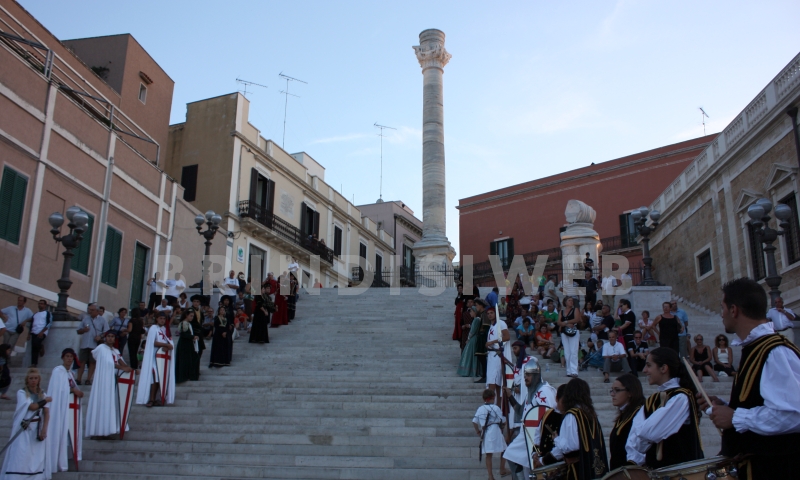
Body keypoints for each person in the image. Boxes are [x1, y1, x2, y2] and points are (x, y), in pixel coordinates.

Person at [698, 278, 800, 478]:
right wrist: (727, 406)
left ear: (734, 310)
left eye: (723, 307)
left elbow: (794, 414)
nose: (722, 314)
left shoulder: (775, 351)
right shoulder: (755, 349)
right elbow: (763, 401)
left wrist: (736, 417)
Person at [626, 347, 703, 469]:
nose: (645, 370)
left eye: (649, 365)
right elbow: (634, 441)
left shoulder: (681, 397)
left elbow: (650, 433)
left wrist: (644, 435)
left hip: (680, 471)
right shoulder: (652, 400)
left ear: (663, 368)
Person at [540, 378, 608, 479]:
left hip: (579, 469)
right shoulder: (590, 414)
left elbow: (570, 447)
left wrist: (557, 439)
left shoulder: (572, 415)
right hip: (592, 465)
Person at [503, 359, 557, 480]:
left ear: (536, 376)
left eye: (528, 375)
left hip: (536, 437)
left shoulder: (544, 391)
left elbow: (550, 415)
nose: (525, 377)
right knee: (523, 463)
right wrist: (510, 396)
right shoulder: (530, 393)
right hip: (527, 435)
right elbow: (521, 412)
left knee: (511, 454)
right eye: (525, 375)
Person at [0, 368, 51, 479]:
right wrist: (46, 400)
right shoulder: (22, 393)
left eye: (35, 378)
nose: (33, 380)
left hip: (37, 429)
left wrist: (44, 429)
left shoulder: (42, 394)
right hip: (24, 428)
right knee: (20, 455)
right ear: (27, 380)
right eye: (31, 378)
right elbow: (32, 407)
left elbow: (46, 413)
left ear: (39, 380)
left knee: (35, 456)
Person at [85, 332, 132, 439]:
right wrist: (122, 368)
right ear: (105, 338)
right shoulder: (101, 348)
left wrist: (131, 370)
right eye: (109, 336)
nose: (111, 339)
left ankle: (108, 430)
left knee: (111, 404)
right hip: (104, 381)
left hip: (114, 381)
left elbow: (121, 362)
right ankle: (97, 431)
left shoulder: (115, 351)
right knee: (102, 403)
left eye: (113, 337)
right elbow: (107, 363)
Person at [46, 348, 83, 473]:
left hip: (68, 408)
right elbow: (57, 390)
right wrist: (73, 390)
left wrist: (77, 392)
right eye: (67, 356)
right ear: (63, 357)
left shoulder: (70, 374)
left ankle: (65, 458)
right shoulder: (58, 371)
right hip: (59, 408)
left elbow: (71, 387)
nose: (69, 359)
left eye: (71, 356)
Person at [136, 313, 175, 408]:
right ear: (156, 319)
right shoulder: (153, 328)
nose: (162, 320)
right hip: (153, 357)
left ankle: (159, 398)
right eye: (160, 318)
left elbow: (169, 343)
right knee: (154, 377)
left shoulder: (166, 330)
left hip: (163, 358)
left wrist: (168, 347)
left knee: (161, 378)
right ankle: (151, 399)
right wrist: (165, 345)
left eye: (164, 318)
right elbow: (152, 342)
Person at [608, 373, 644, 470]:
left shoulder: (639, 414)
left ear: (630, 392)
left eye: (617, 390)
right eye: (612, 390)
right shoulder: (625, 415)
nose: (612, 394)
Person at [472, 388, 507, 480]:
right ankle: (502, 469)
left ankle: (490, 476)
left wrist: (478, 431)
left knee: (488, 454)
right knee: (504, 449)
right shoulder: (496, 408)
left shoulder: (480, 409)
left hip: (486, 432)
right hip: (495, 431)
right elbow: (503, 420)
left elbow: (474, 422)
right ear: (492, 398)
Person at [76, 304, 108, 385]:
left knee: (92, 362)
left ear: (97, 311)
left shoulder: (102, 320)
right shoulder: (85, 319)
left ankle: (88, 379)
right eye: (89, 309)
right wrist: (84, 330)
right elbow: (78, 331)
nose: (90, 311)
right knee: (82, 361)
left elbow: (106, 332)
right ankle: (78, 379)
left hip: (94, 345)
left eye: (92, 310)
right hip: (85, 343)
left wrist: (100, 336)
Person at [485, 308, 512, 402]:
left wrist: (492, 342)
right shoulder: (491, 326)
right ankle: (495, 404)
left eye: (491, 313)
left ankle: (490, 402)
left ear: (495, 313)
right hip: (491, 355)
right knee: (493, 381)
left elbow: (507, 336)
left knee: (494, 380)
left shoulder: (501, 323)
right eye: (488, 313)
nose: (490, 315)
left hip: (497, 355)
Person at [558, 297, 580, 378]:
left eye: (572, 300)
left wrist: (566, 322)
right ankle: (569, 370)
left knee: (573, 351)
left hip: (574, 331)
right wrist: (566, 324)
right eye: (569, 300)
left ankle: (574, 371)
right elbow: (559, 322)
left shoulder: (575, 310)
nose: (571, 302)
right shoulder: (562, 311)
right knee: (567, 352)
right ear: (565, 302)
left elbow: (577, 319)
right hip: (564, 332)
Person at [175, 311, 200, 383]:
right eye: (190, 316)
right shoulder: (183, 323)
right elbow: (183, 334)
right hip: (184, 345)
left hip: (188, 344)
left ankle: (189, 375)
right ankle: (183, 376)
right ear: (186, 315)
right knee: (184, 360)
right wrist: (193, 337)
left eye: (193, 316)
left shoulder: (188, 324)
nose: (192, 317)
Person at [457, 306, 481, 378]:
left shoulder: (476, 319)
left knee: (469, 354)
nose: (470, 313)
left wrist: (468, 338)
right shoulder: (476, 319)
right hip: (474, 338)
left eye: (471, 311)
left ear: (474, 312)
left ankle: (468, 371)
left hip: (473, 339)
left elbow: (472, 330)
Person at [28, 299, 51, 367]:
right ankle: (34, 363)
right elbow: (31, 324)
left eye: (41, 304)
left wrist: (42, 332)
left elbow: (49, 323)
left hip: (41, 332)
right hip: (34, 332)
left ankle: (41, 346)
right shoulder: (35, 314)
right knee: (33, 349)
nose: (40, 305)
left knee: (36, 343)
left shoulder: (47, 313)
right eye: (39, 303)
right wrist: (29, 334)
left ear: (45, 305)